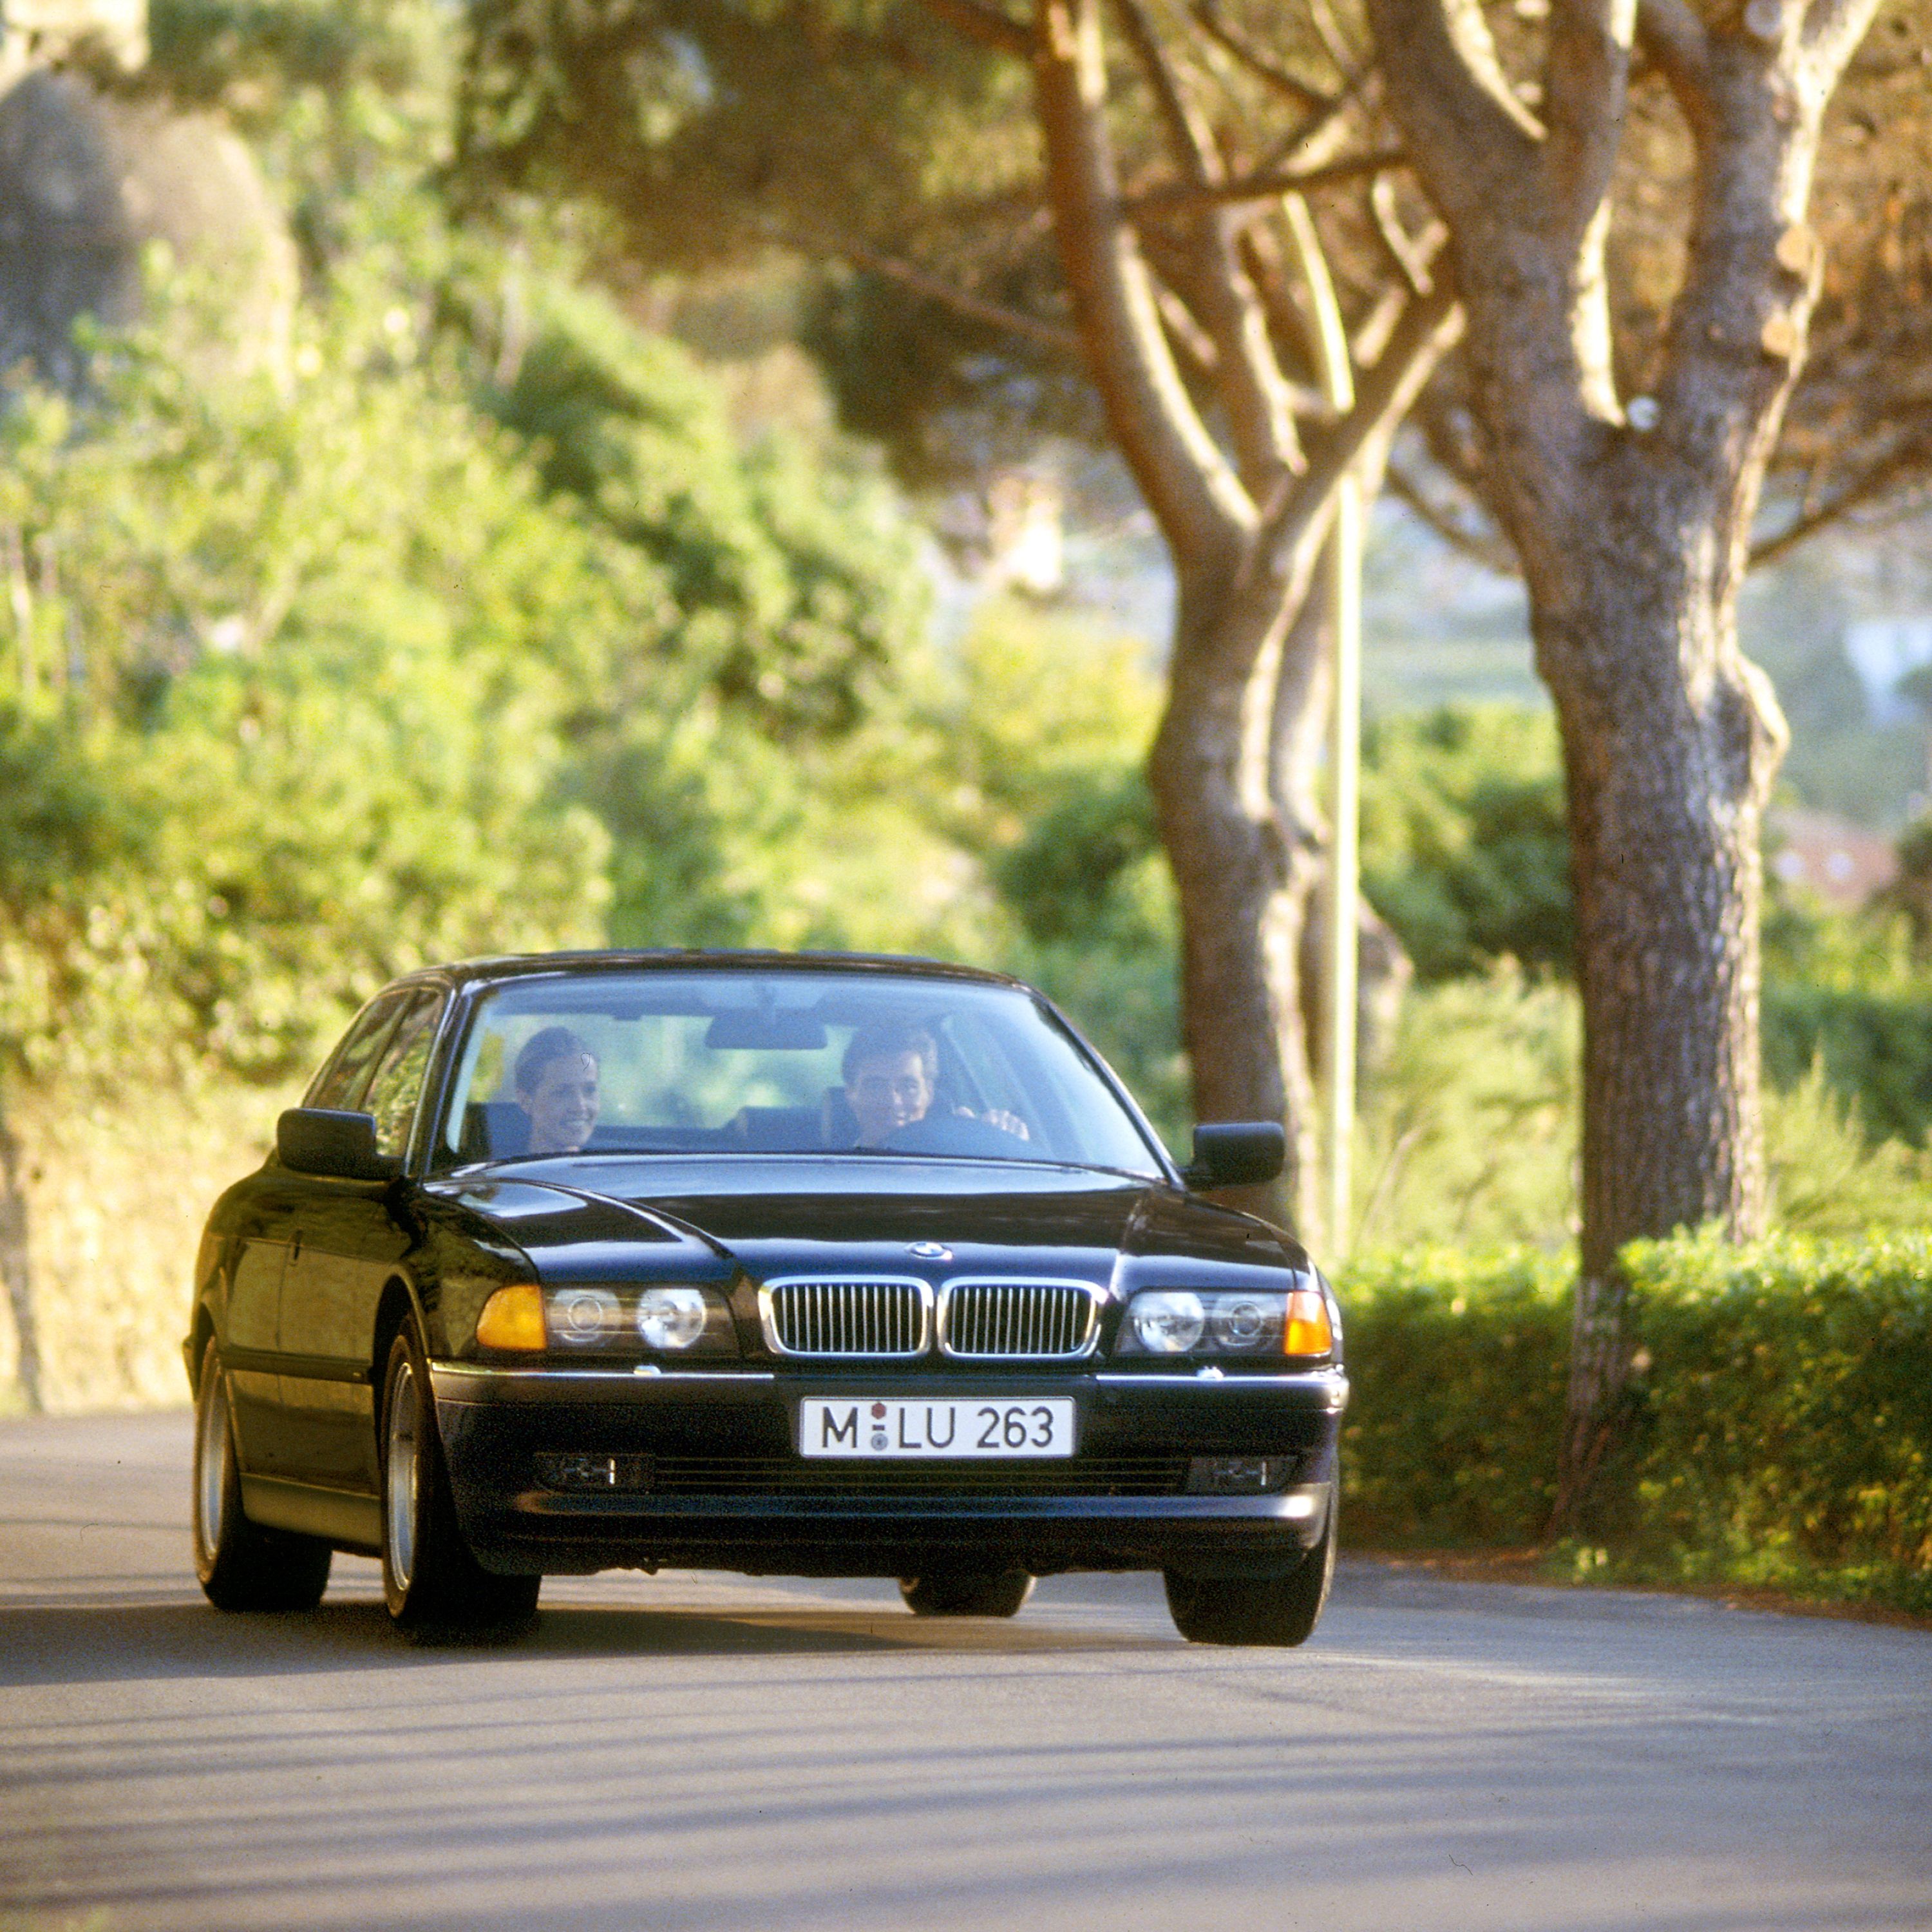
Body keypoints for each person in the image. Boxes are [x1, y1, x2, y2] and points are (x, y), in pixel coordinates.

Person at [840, 1024, 1027, 1149]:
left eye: (909, 1086)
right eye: (876, 1087)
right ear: (851, 1095)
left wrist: (1006, 1144)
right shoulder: (834, 1178)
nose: (894, 1102)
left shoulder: (963, 1168)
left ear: (929, 1093)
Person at [513, 1026, 600, 1155]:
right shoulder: (499, 1170)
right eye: (563, 1093)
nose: (580, 1107)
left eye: (590, 1091)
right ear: (526, 1101)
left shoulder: (614, 1166)